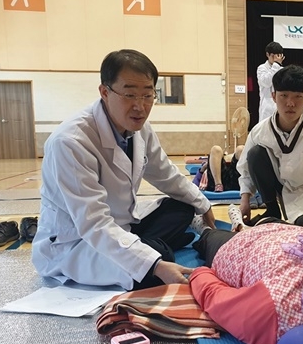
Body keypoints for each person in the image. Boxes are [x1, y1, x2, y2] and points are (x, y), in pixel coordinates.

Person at [32, 49, 216, 291]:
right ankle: (154, 247)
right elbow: (94, 224)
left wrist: (204, 205)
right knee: (155, 266)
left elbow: (165, 174)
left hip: (122, 225)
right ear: (105, 92)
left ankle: (150, 245)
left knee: (183, 208)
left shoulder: (140, 129)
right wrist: (156, 265)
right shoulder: (71, 142)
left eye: (148, 95)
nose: (140, 106)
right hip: (77, 243)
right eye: (129, 94)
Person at [237, 65, 303, 233]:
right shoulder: (260, 131)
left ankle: (271, 224)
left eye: (298, 96)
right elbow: (245, 169)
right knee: (255, 154)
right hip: (277, 188)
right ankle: (272, 210)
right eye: (284, 96)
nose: (290, 103)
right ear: (273, 96)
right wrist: (245, 200)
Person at [257, 41, 285, 122]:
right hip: (266, 107)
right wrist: (276, 65)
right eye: (273, 56)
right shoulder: (262, 68)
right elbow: (266, 82)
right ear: (267, 54)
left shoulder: (283, 70)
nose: (275, 58)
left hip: (280, 106)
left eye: (278, 56)